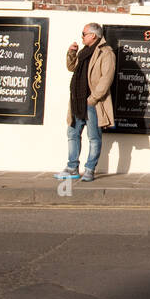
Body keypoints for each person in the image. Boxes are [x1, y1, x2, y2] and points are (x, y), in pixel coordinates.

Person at [54, 23, 115, 182]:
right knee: (73, 134)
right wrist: (71, 53)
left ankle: (89, 169)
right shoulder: (83, 51)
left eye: (83, 34)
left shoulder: (106, 52)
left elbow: (106, 79)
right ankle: (72, 167)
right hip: (76, 100)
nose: (81, 37)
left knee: (94, 137)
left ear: (93, 35)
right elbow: (71, 67)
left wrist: (92, 99)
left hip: (92, 103)